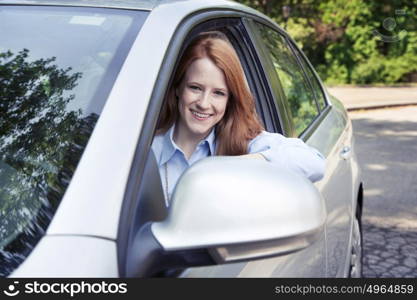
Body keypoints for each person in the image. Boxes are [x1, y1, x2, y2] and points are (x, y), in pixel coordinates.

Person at [152, 32, 325, 205]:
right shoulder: (145, 144)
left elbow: (314, 162)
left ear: (230, 100)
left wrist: (237, 165)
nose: (204, 104)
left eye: (218, 93)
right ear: (177, 89)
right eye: (195, 88)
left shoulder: (242, 143)